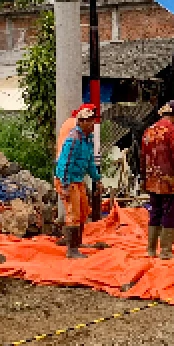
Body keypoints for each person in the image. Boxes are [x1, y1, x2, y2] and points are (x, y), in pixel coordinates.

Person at [55, 105, 103, 260]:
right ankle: (72, 249)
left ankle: (77, 243)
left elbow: (89, 162)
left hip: (77, 180)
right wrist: (65, 185)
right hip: (68, 180)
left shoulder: (87, 139)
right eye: (88, 121)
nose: (91, 124)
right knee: (73, 213)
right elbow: (66, 163)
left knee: (83, 211)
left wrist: (97, 179)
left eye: (92, 121)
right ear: (80, 122)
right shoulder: (73, 139)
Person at [141, 100, 174, 260]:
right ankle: (166, 251)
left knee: (155, 212)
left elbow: (143, 157)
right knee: (170, 213)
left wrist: (143, 178)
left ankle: (151, 249)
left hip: (152, 179)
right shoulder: (173, 131)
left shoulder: (148, 131)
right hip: (170, 181)